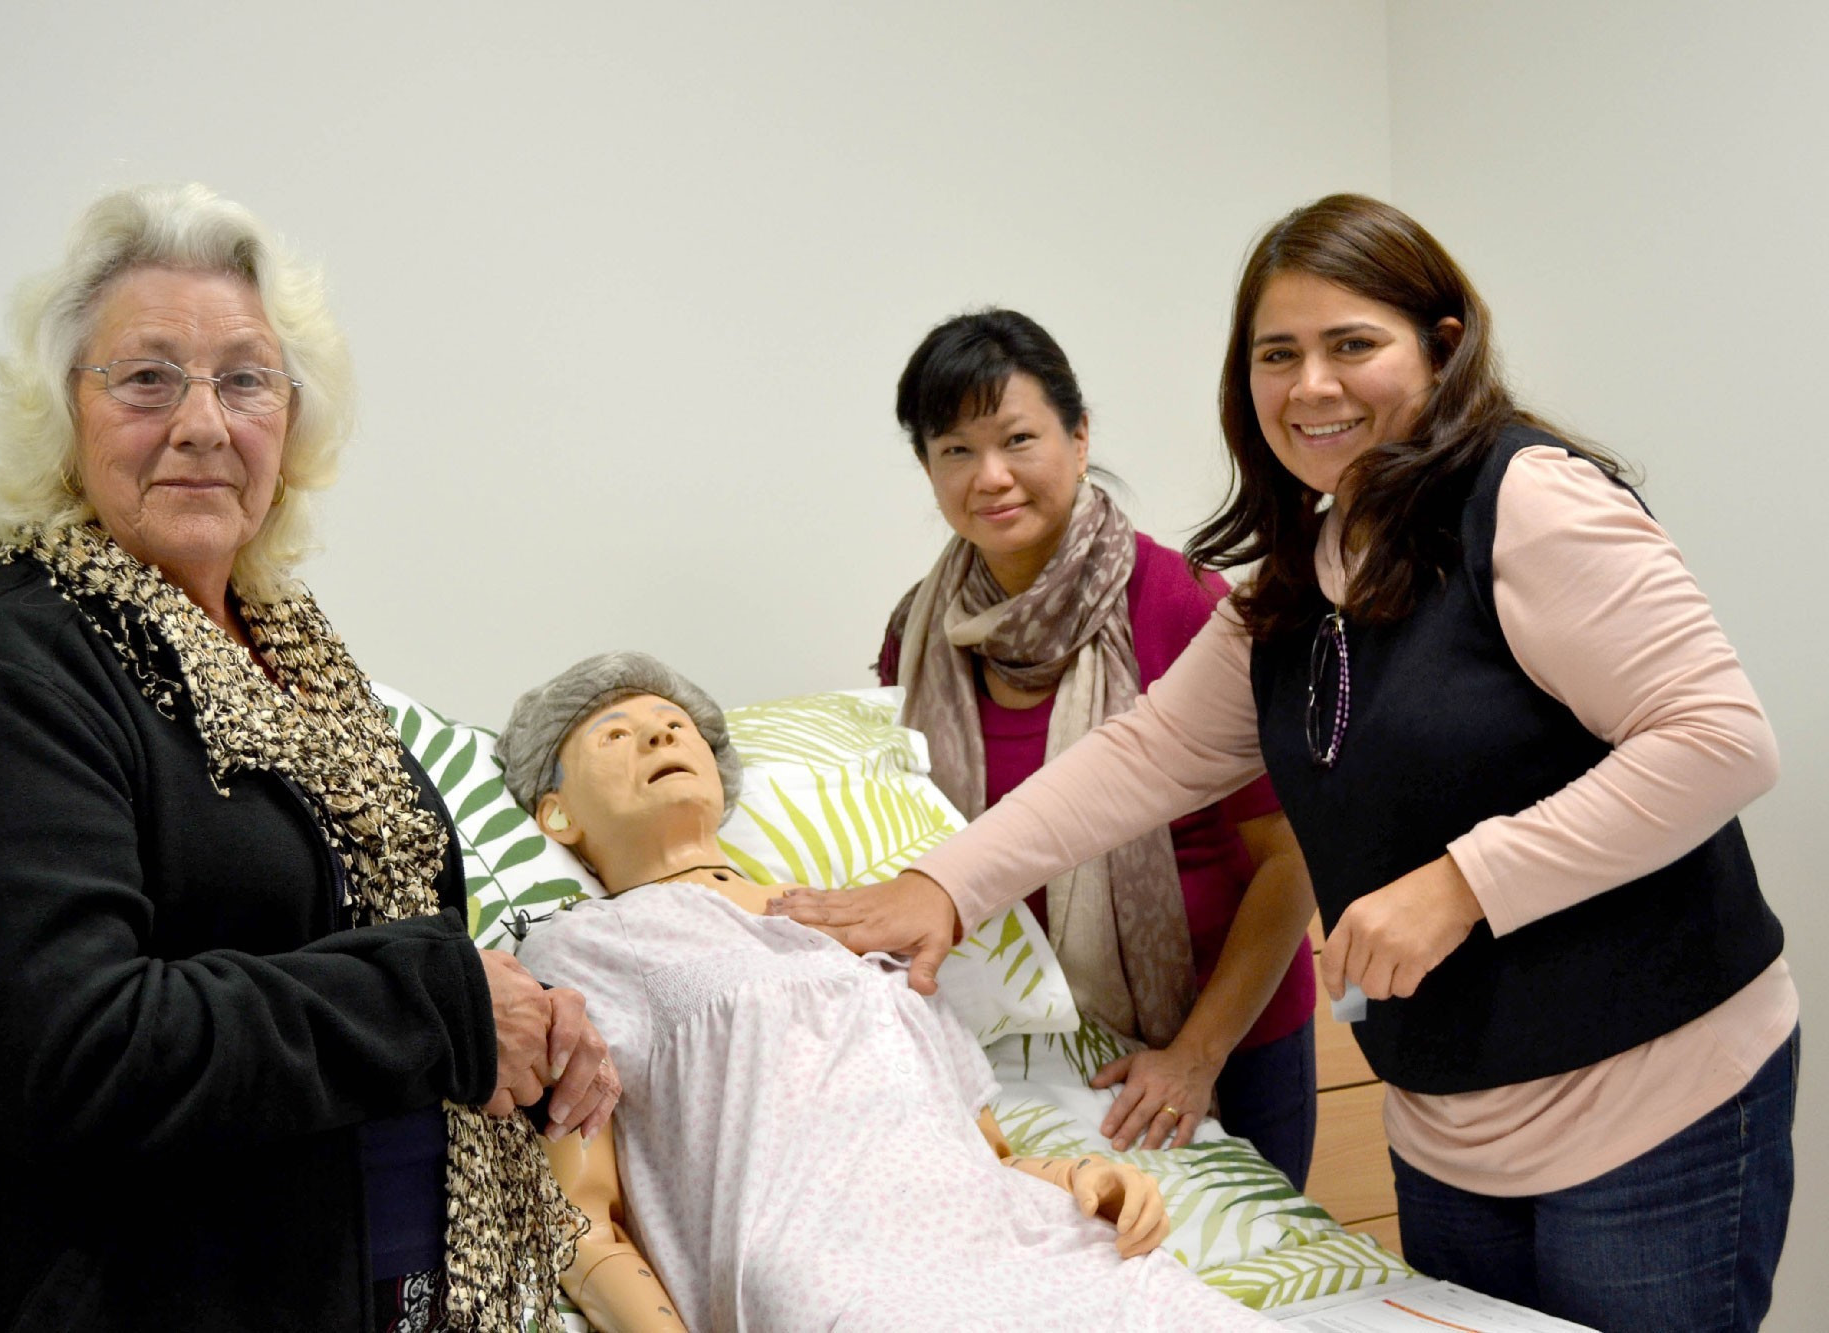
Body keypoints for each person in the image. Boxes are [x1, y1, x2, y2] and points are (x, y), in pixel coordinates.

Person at [773, 195, 1797, 1333]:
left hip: (1650, 1100)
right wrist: (944, 885)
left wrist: (1462, 884)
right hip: (1449, 1123)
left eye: (1350, 344)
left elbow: (1717, 739)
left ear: (1442, 346)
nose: (1310, 386)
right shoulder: (1301, 573)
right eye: (1276, 355)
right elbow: (1149, 753)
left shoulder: (1528, 501)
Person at [0, 183, 617, 1333]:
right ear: (62, 413)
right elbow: (68, 1057)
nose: (204, 422)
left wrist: (524, 1024)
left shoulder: (295, 658)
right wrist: (441, 1008)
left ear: (292, 423)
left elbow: (365, 952)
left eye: (246, 380)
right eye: (147, 377)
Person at [495, 652, 1279, 1333]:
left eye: (674, 723)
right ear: (555, 813)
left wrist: (1082, 1178)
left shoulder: (859, 922)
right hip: (837, 1272)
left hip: (1029, 1235)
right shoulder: (584, 947)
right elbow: (579, 1217)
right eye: (614, 735)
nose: (660, 736)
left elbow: (989, 1156)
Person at [878, 309, 1317, 1183]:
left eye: (1018, 439)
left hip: (1223, 1039)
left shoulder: (1185, 605)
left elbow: (1291, 858)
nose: (991, 476)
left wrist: (1194, 1056)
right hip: (1031, 1054)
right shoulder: (920, 633)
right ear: (927, 469)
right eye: (956, 450)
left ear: (1079, 439)